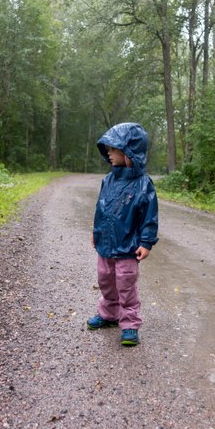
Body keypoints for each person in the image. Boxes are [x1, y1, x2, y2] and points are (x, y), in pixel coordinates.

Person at [87, 122, 159, 346]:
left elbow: (149, 215)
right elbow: (101, 207)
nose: (108, 154)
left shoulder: (143, 184)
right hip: (106, 243)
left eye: (113, 149)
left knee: (125, 283)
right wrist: (96, 232)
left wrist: (146, 242)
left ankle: (129, 323)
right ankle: (109, 314)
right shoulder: (108, 180)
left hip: (128, 246)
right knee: (105, 280)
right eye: (107, 150)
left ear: (128, 152)